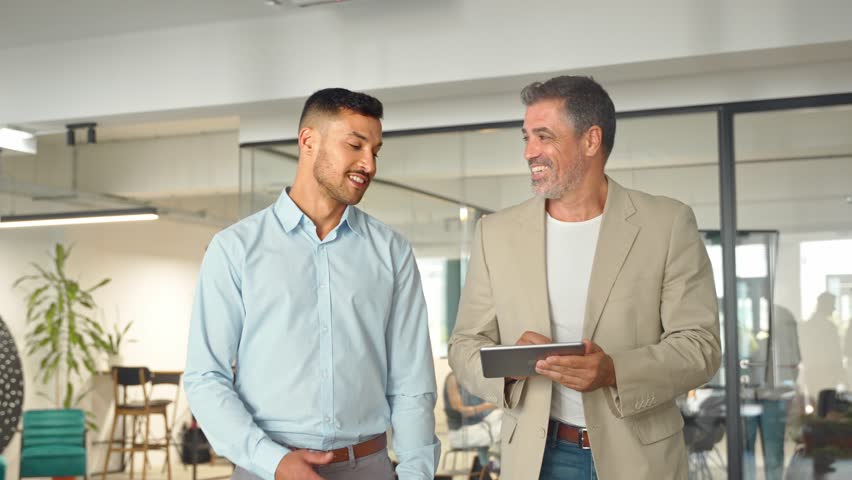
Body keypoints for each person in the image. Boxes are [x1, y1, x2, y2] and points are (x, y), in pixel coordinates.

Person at [447, 75, 721, 480]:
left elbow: (700, 347)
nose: (529, 152)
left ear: (591, 141)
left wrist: (614, 371)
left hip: (639, 458)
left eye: (543, 136)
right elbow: (464, 345)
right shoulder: (496, 232)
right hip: (538, 459)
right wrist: (508, 368)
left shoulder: (667, 223)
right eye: (526, 137)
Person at [184, 88, 440, 480]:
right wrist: (272, 461)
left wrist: (416, 473)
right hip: (266, 468)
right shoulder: (235, 249)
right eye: (355, 145)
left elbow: (412, 382)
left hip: (368, 467)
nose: (368, 164)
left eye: (375, 150)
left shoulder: (392, 252)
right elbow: (206, 377)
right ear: (308, 141)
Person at [443, 372, 502, 464]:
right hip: (461, 432)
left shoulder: (472, 376)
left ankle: (489, 466)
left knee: (502, 417)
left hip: (476, 426)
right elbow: (463, 412)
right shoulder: (453, 378)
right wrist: (489, 405)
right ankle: (495, 467)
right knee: (502, 430)